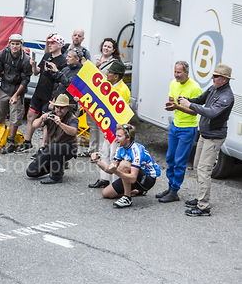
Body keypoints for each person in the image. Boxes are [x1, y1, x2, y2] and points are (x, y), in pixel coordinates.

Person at [178, 63, 235, 216]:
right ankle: (200, 198)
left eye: (216, 76)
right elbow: (200, 100)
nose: (212, 78)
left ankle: (204, 207)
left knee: (204, 170)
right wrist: (186, 99)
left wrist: (189, 104)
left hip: (214, 138)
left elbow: (211, 113)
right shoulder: (214, 88)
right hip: (205, 135)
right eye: (213, 75)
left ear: (225, 79)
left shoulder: (226, 97)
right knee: (197, 166)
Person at [155, 61, 202, 203]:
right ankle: (171, 187)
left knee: (180, 161)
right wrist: (170, 105)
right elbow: (171, 101)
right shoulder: (173, 83)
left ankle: (174, 191)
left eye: (179, 72)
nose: (176, 75)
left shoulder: (195, 88)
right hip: (175, 126)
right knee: (170, 158)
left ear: (186, 73)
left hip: (188, 128)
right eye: (175, 72)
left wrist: (178, 106)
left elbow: (195, 111)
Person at [91, 124, 161, 208]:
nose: (116, 138)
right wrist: (97, 161)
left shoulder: (137, 150)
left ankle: (127, 198)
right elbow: (110, 170)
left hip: (147, 180)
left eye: (119, 136)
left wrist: (116, 171)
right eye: (116, 135)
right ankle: (137, 191)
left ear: (128, 138)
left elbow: (132, 178)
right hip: (133, 176)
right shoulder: (120, 148)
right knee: (106, 193)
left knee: (123, 164)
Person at [19, 34, 67, 153]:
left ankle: (43, 147)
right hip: (38, 92)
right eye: (49, 43)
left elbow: (62, 83)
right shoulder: (46, 55)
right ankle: (27, 142)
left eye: (53, 43)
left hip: (50, 96)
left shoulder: (62, 62)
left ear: (60, 45)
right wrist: (34, 66)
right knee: (30, 117)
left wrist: (55, 100)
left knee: (47, 122)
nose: (50, 45)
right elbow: (36, 72)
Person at [89, 61, 131, 188]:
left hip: (116, 128)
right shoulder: (112, 86)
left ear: (116, 76)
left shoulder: (122, 90)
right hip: (109, 127)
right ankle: (104, 179)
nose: (106, 74)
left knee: (114, 155)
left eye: (109, 72)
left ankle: (114, 183)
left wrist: (112, 131)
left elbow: (118, 114)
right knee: (105, 151)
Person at [0, 34, 32, 154]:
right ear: (9, 44)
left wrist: (16, 95)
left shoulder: (25, 59)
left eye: (17, 44)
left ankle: (10, 141)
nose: (15, 46)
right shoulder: (3, 54)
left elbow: (26, 79)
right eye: (13, 43)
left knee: (15, 116)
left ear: (21, 45)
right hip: (4, 87)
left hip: (17, 89)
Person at [82, 38, 122, 157]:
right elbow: (89, 73)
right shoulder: (95, 57)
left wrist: (98, 68)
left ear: (113, 50)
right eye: (105, 46)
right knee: (92, 124)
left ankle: (100, 151)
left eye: (109, 47)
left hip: (104, 97)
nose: (106, 48)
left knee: (101, 125)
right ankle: (91, 149)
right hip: (91, 94)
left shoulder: (115, 62)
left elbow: (108, 79)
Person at [26, 94, 78, 184]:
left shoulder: (72, 118)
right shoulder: (51, 115)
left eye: (62, 108)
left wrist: (60, 123)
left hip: (69, 149)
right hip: (51, 149)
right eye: (57, 107)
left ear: (67, 108)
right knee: (31, 171)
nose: (59, 110)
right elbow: (34, 125)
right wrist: (42, 118)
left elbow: (73, 131)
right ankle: (58, 166)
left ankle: (56, 177)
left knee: (54, 147)